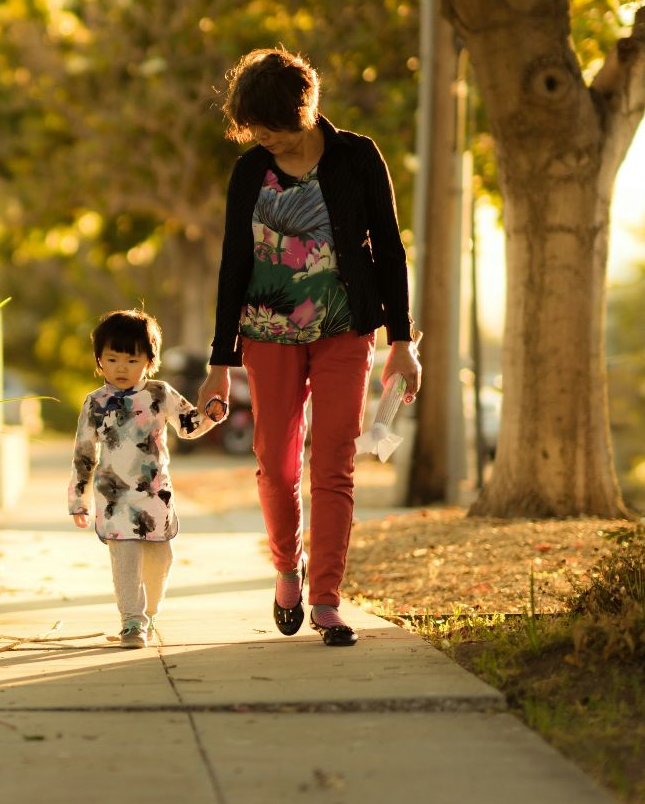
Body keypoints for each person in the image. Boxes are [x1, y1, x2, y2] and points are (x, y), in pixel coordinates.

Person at [197, 48, 420, 648]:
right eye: (255, 133)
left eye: (271, 130)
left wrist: (401, 340)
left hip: (346, 328)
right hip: (266, 333)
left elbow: (390, 251)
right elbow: (233, 264)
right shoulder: (250, 172)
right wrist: (219, 363)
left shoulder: (356, 156)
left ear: (303, 112)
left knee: (335, 461)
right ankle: (285, 569)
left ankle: (326, 597)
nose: (263, 140)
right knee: (276, 460)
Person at [68, 309, 225, 649]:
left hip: (155, 496)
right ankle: (131, 621)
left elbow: (187, 426)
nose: (121, 368)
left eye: (131, 359)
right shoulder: (95, 403)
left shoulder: (160, 393)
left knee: (159, 560)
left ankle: (150, 610)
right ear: (99, 361)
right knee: (124, 560)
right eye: (112, 359)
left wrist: (211, 416)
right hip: (113, 499)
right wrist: (78, 498)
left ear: (149, 361)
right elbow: (84, 453)